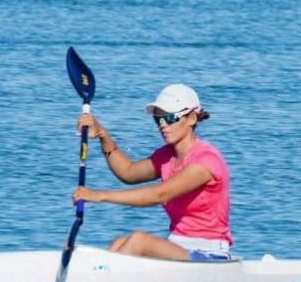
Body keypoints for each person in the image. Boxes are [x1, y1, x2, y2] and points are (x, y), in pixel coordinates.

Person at [72, 83, 234, 261]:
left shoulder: (206, 160)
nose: (163, 125)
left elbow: (159, 194)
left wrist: (98, 196)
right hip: (177, 246)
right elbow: (128, 172)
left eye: (170, 118)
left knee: (139, 241)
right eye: (158, 119)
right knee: (120, 242)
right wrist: (103, 134)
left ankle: (102, 276)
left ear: (192, 118)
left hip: (210, 253)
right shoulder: (166, 156)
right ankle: (98, 274)